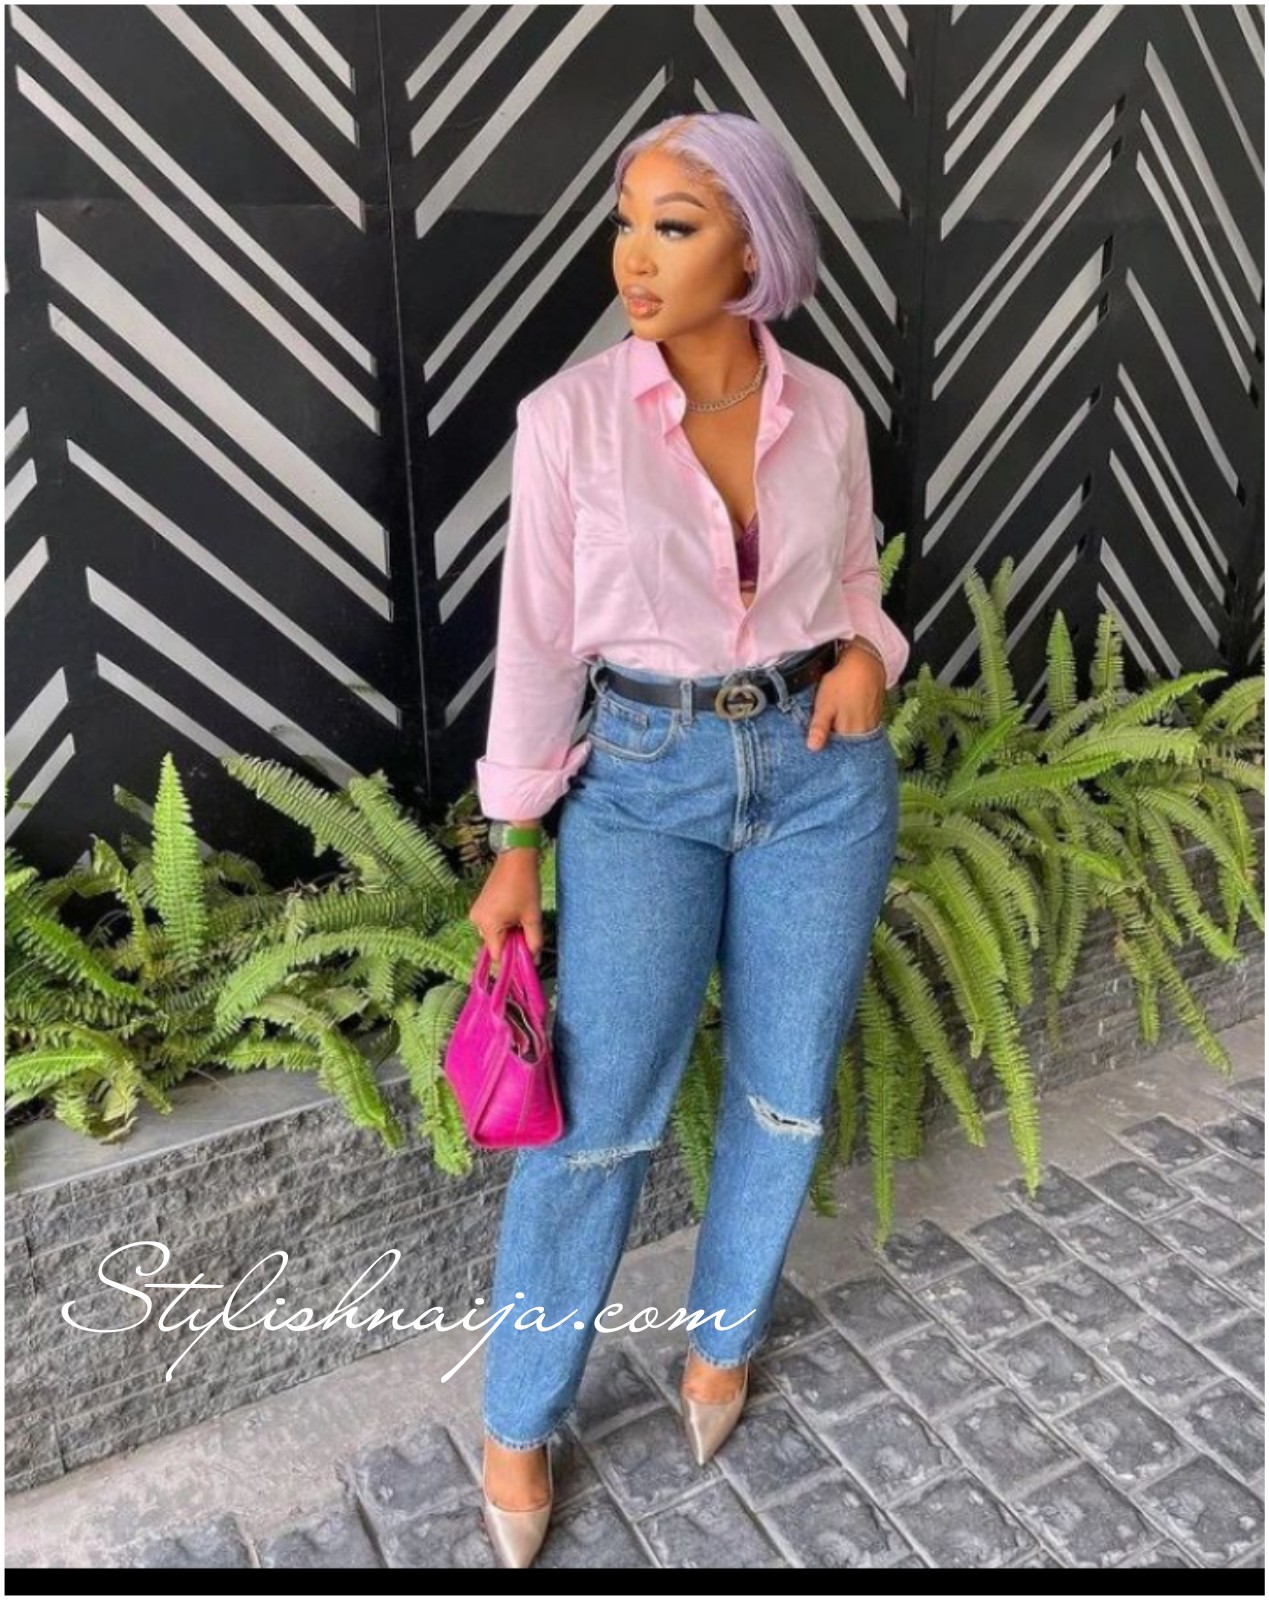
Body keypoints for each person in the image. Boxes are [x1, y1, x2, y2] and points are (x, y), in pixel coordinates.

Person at [468, 111, 908, 1568]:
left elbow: (853, 576)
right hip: (643, 779)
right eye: (626, 219)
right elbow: (538, 636)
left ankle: (722, 1341)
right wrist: (515, 836)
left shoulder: (827, 412)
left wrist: (870, 652)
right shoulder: (570, 420)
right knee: (598, 1118)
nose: (633, 256)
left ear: (753, 246)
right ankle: (521, 1413)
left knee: (785, 1093)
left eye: (674, 224)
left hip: (820, 774)